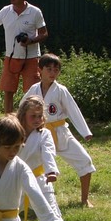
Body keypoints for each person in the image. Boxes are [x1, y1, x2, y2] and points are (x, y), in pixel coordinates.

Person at [23, 54, 96, 207]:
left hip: (60, 133)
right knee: (30, 166)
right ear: (40, 70)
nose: (52, 73)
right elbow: (22, 109)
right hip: (40, 134)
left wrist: (85, 132)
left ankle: (85, 199)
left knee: (85, 161)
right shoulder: (34, 89)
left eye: (56, 70)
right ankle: (27, 201)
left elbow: (73, 110)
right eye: (49, 69)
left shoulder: (61, 90)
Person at [17, 95, 76, 221]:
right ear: (23, 115)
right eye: (33, 116)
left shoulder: (44, 134)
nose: (37, 120)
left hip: (39, 179)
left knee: (52, 215)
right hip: (15, 180)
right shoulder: (14, 131)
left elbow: (48, 153)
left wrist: (51, 172)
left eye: (40, 116)